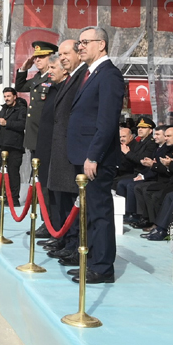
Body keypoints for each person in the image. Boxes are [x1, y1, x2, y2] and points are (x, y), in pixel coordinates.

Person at [66, 26, 125, 284]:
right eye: (79, 43)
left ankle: (102, 268)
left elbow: (107, 122)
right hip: (83, 155)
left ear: (101, 44)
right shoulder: (92, 73)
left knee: (99, 213)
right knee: (89, 213)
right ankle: (90, 262)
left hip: (95, 158)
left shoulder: (109, 75)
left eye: (85, 42)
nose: (80, 47)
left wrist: (93, 156)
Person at [42, 39, 86, 258]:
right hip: (61, 150)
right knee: (64, 201)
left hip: (71, 151)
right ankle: (66, 241)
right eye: (60, 55)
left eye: (65, 54)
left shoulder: (81, 77)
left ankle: (72, 244)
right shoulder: (69, 80)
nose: (61, 59)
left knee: (72, 203)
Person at [32, 54, 64, 239]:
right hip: (43, 144)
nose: (48, 72)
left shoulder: (63, 89)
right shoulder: (51, 87)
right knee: (45, 188)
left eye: (52, 68)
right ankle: (49, 224)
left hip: (55, 147)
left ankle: (56, 228)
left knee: (55, 191)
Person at [16, 41, 57, 156]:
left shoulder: (54, 78)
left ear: (52, 57)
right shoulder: (38, 77)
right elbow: (20, 86)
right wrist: (24, 69)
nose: (37, 60)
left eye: (42, 56)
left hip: (46, 132)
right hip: (34, 134)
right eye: (36, 57)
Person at [0, 87, 27, 205]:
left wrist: (7, 123)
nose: (6, 98)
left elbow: (22, 124)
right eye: (5, 96)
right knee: (4, 173)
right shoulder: (4, 109)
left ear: (14, 96)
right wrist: (1, 122)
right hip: (3, 145)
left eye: (8, 96)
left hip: (15, 146)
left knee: (13, 173)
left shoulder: (21, 109)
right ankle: (4, 196)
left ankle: (14, 199)